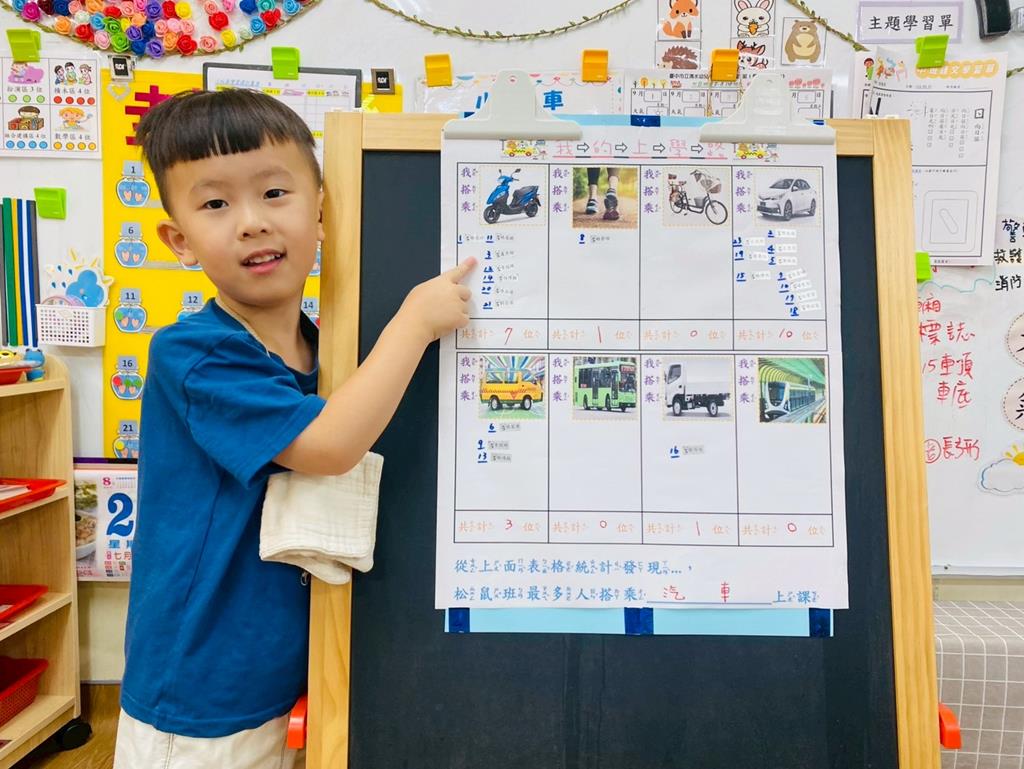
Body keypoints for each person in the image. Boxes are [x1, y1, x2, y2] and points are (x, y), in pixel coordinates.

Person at [113, 89, 474, 768]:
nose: (252, 223)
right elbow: (329, 446)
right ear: (179, 241)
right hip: (202, 695)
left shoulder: (322, 351)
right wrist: (415, 323)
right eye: (215, 204)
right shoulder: (197, 353)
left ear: (322, 211)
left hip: (285, 677)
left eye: (274, 193)